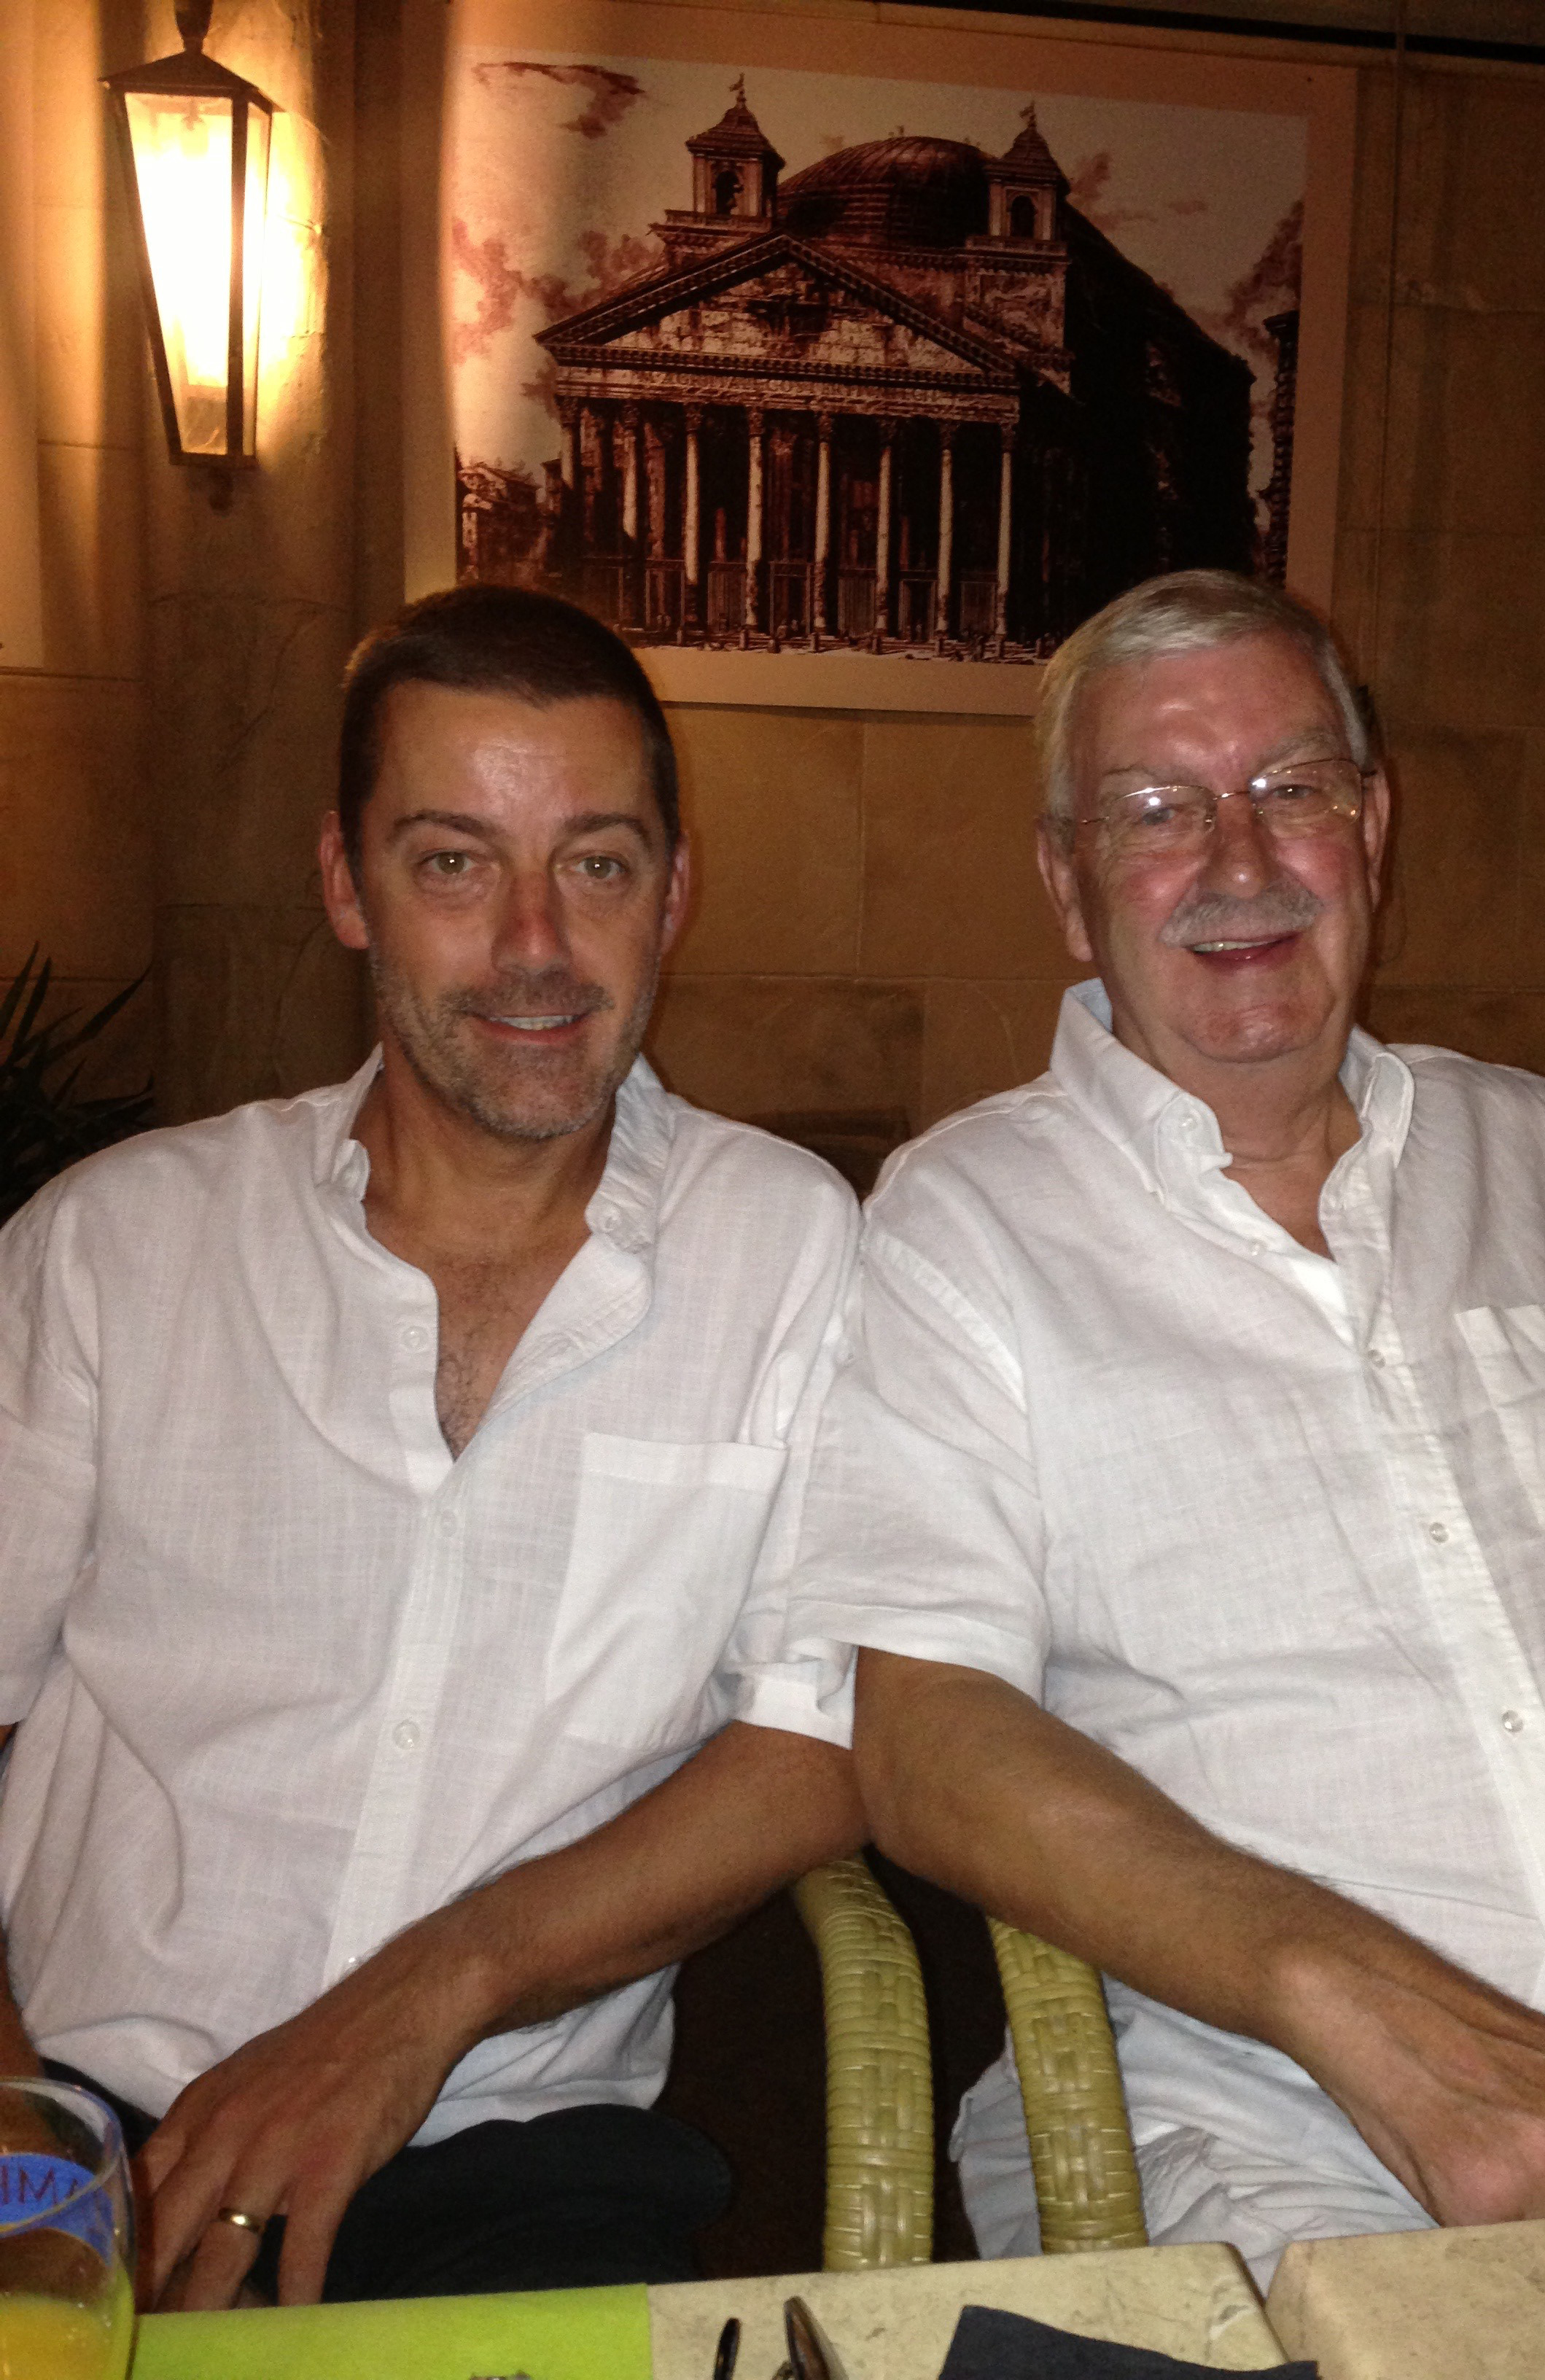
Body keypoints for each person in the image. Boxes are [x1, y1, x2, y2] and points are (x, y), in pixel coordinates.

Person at [785, 569, 1545, 2284]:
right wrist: (1359, 2001)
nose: (1240, 867)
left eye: (1294, 791)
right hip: (1292, 2157)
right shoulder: (967, 1224)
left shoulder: (1539, 1150)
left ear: (1372, 829)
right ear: (1067, 883)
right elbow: (921, 1729)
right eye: (1158, 812)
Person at [0, 586, 864, 2309]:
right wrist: (25, 2140)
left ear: (674, 893)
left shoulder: (792, 1249)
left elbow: (822, 1742)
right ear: (346, 883)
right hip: (84, 2116)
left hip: (515, 2143)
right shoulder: (114, 1248)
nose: (535, 944)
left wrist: (419, 2002)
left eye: (599, 863)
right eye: (456, 862)